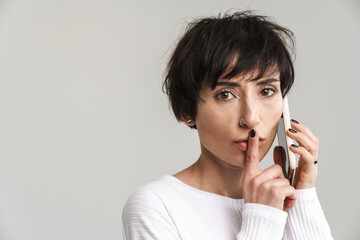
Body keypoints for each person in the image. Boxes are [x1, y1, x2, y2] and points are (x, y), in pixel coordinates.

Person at [122, 11, 333, 239]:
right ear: (187, 110)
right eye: (225, 95)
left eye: (266, 91)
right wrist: (262, 218)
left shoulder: (283, 195)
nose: (251, 118)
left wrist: (302, 197)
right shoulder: (156, 205)